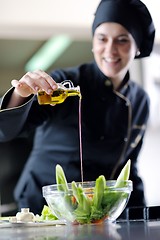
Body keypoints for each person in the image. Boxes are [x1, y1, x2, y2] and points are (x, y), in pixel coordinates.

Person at [0, 0, 155, 215]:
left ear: (137, 47)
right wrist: (20, 94)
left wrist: (142, 216)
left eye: (122, 40)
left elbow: (129, 167)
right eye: (102, 39)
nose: (110, 49)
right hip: (43, 207)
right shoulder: (65, 83)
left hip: (95, 212)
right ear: (93, 42)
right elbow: (5, 131)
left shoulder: (140, 100)